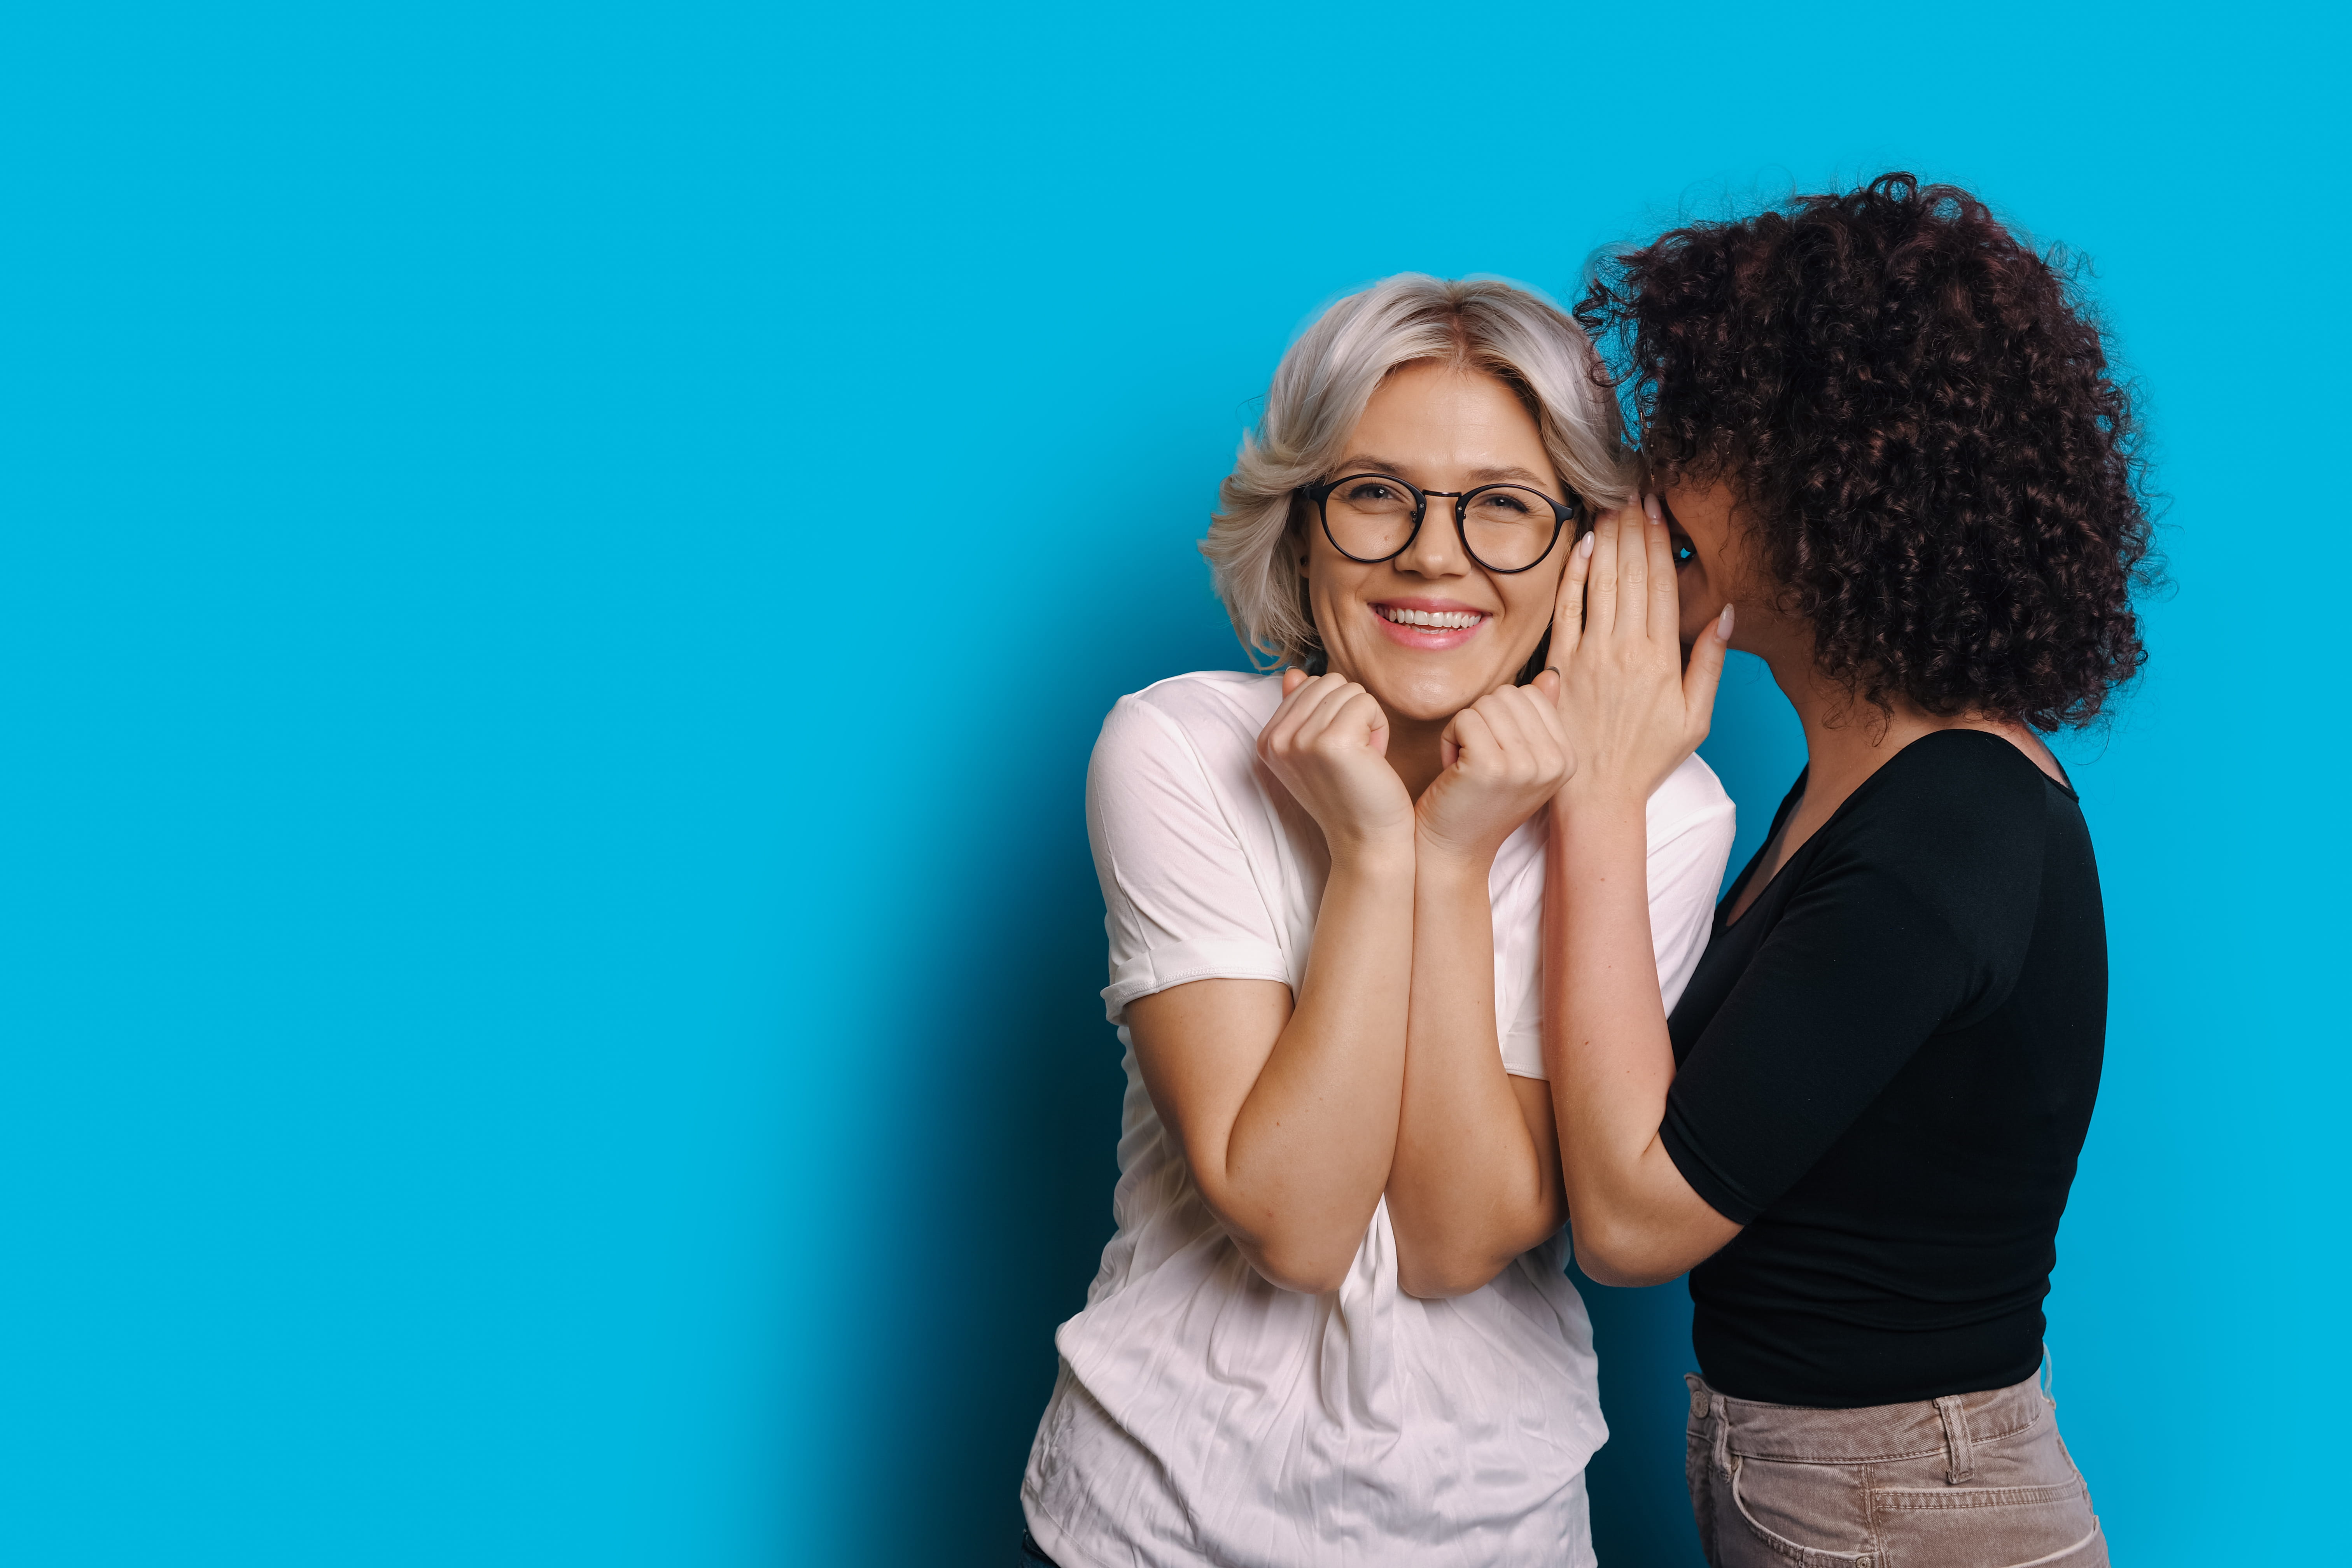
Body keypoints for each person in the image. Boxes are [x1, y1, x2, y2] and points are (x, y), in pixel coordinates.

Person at [1018, 274, 1736, 1567]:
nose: (1433, 554)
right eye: (1374, 494)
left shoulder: (1658, 814)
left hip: (1491, 1534)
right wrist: (1373, 850)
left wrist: (1453, 856)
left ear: (1584, 549)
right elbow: (1293, 1220)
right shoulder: (1178, 746)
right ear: (1300, 527)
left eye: (1505, 508)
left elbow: (1457, 1240)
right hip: (1147, 1525)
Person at [1540, 175, 2153, 1567]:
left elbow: (1636, 1222)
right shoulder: (1868, 778)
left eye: (1696, 440)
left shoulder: (1946, 827)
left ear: (1830, 482)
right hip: (1857, 1486)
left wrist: (1594, 787)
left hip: (1903, 1509)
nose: (1650, 488)